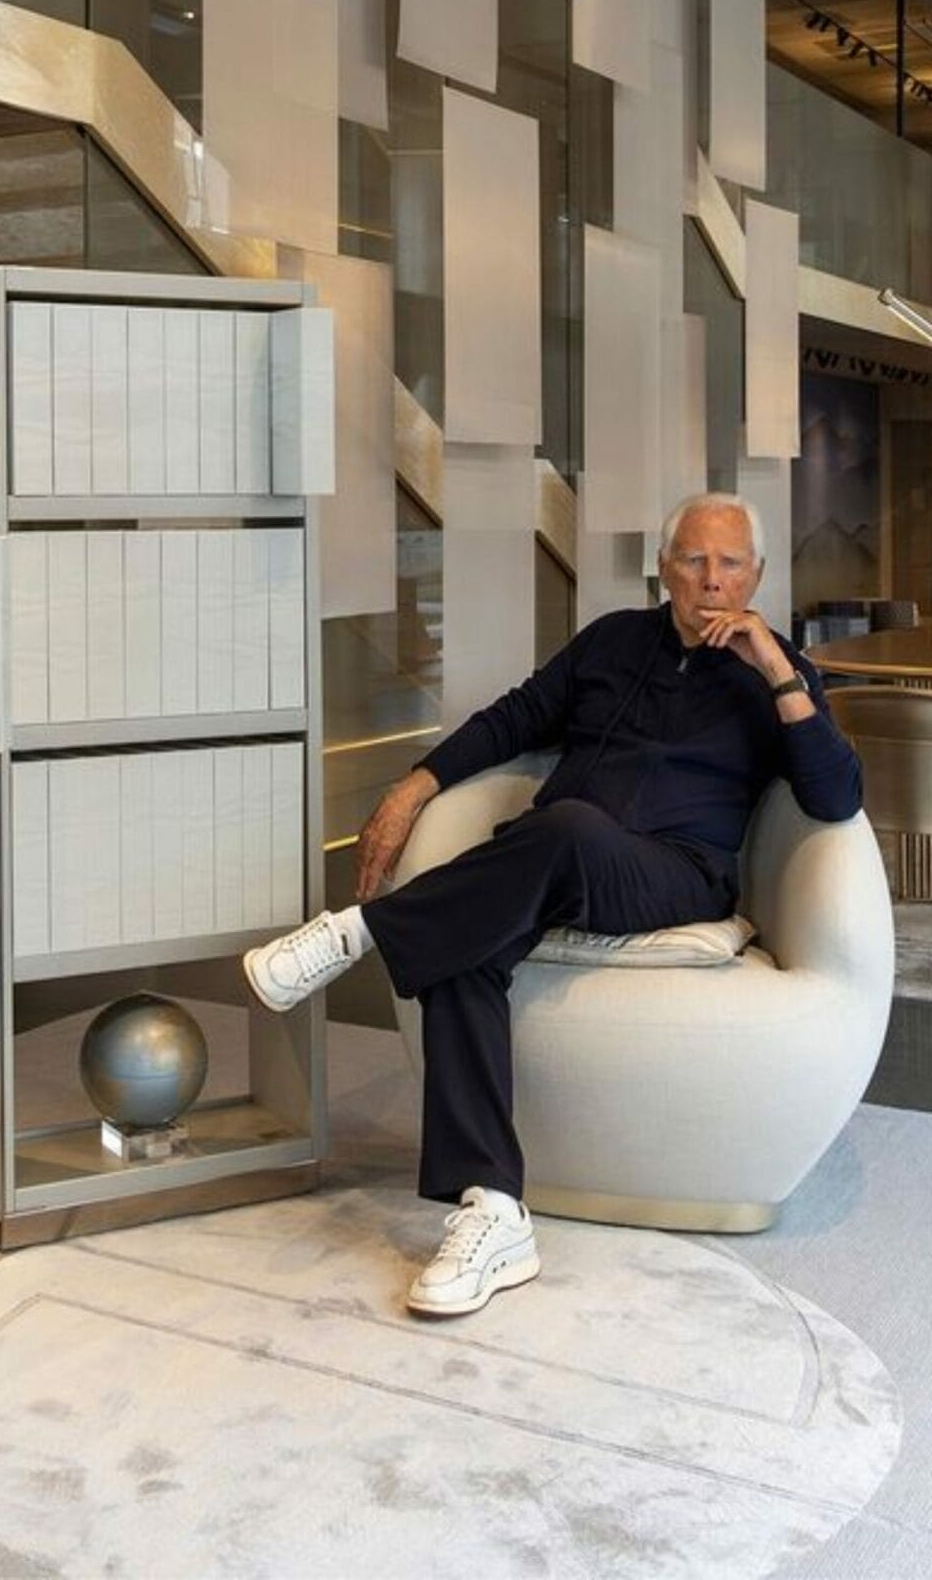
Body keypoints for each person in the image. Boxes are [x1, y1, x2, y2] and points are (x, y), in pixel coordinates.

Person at [243, 493, 862, 1318]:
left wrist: (778, 672)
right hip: (550, 861)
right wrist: (415, 785)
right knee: (466, 950)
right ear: (664, 570)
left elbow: (834, 795)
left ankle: (358, 933)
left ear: (756, 575)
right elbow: (515, 718)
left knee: (567, 827)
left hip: (671, 876)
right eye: (693, 560)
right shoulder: (613, 641)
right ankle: (494, 1209)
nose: (711, 581)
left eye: (729, 564)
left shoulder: (777, 672)